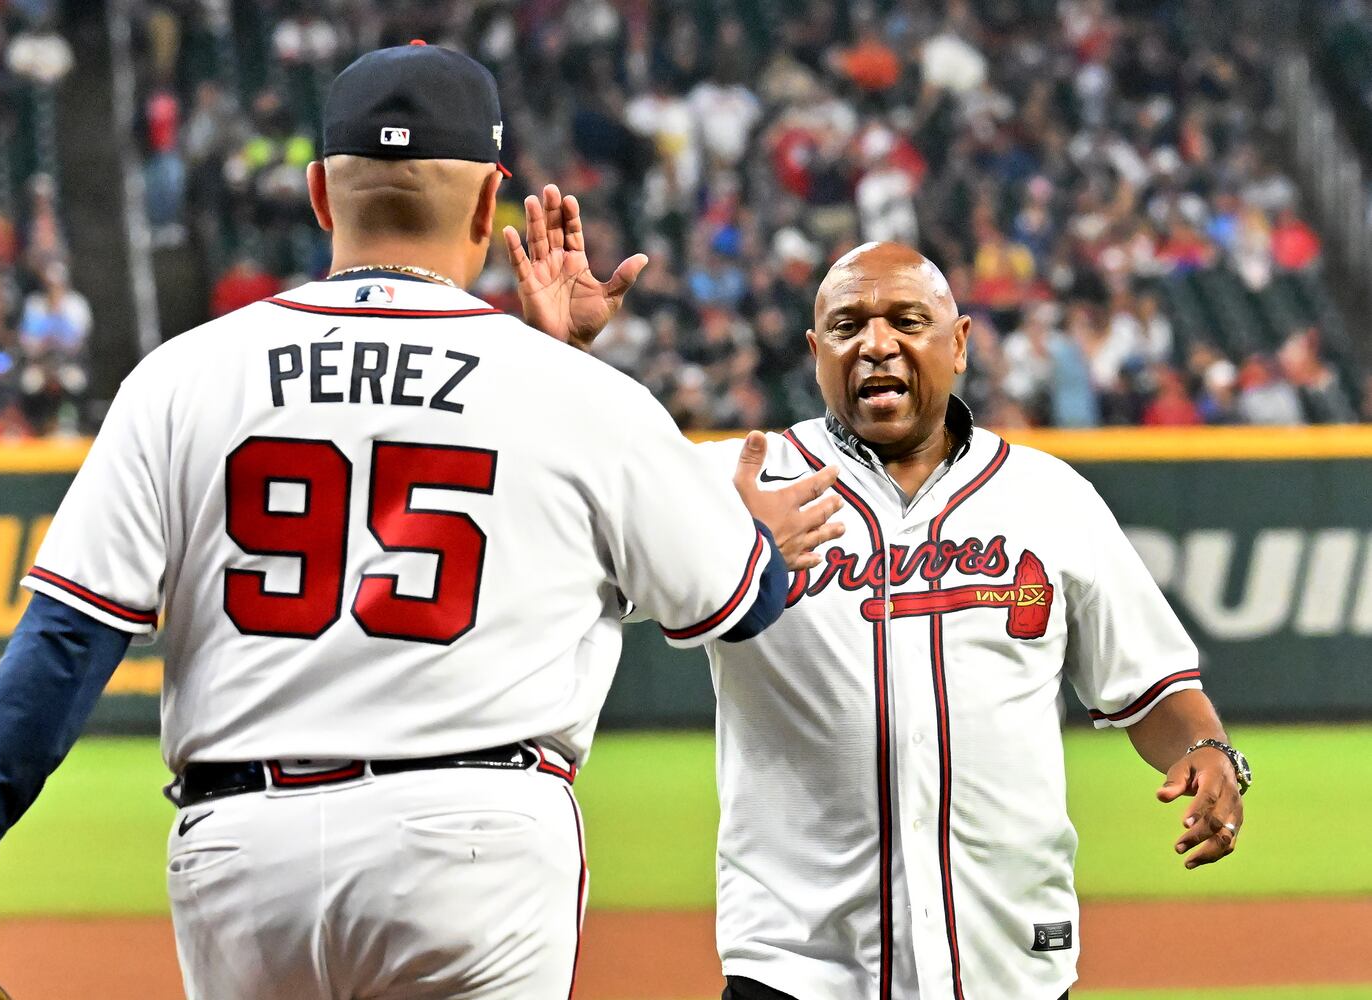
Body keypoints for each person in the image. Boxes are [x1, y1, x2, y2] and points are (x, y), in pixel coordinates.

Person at [0, 43, 845, 1000]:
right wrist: (748, 531)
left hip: (242, 853)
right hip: (474, 845)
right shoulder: (573, 393)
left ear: (317, 193)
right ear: (486, 203)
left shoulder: (182, 377)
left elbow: (63, 646)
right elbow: (740, 601)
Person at [509, 207, 1251, 1000]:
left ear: (959, 343)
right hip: (797, 972)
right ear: (815, 352)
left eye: (906, 320)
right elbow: (544, 544)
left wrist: (1207, 751)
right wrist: (559, 368)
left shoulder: (1050, 497)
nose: (875, 343)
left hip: (1009, 964)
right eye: (846, 325)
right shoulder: (739, 483)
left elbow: (1153, 687)